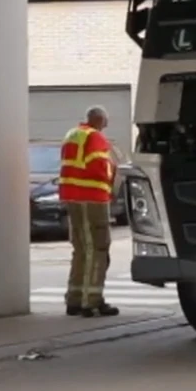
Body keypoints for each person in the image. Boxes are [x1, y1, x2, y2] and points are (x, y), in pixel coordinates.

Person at [58, 107, 119, 317]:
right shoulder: (95, 138)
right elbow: (100, 168)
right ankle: (91, 301)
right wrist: (114, 172)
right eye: (106, 121)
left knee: (81, 249)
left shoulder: (72, 135)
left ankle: (74, 299)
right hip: (92, 198)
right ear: (99, 120)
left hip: (72, 198)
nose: (107, 125)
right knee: (98, 248)